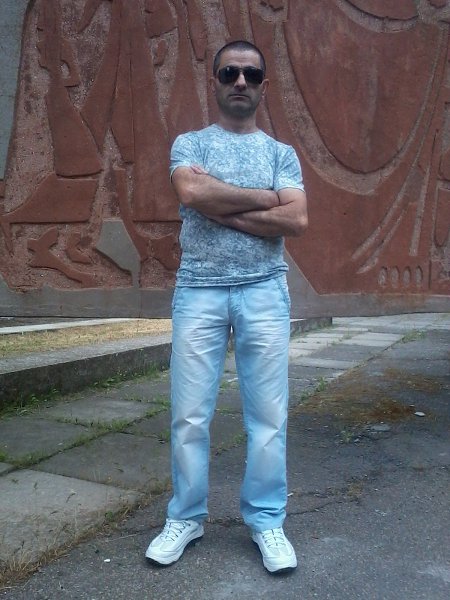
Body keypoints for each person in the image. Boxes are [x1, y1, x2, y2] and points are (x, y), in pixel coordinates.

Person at [145, 40, 308, 574]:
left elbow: (297, 219)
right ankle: (186, 517)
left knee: (269, 418)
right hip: (200, 290)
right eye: (231, 72)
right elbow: (191, 194)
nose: (241, 81)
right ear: (214, 80)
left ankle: (266, 521)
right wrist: (267, 198)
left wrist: (221, 203)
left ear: (264, 86)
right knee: (189, 415)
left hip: (264, 290)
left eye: (251, 75)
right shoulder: (190, 143)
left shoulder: (282, 154)